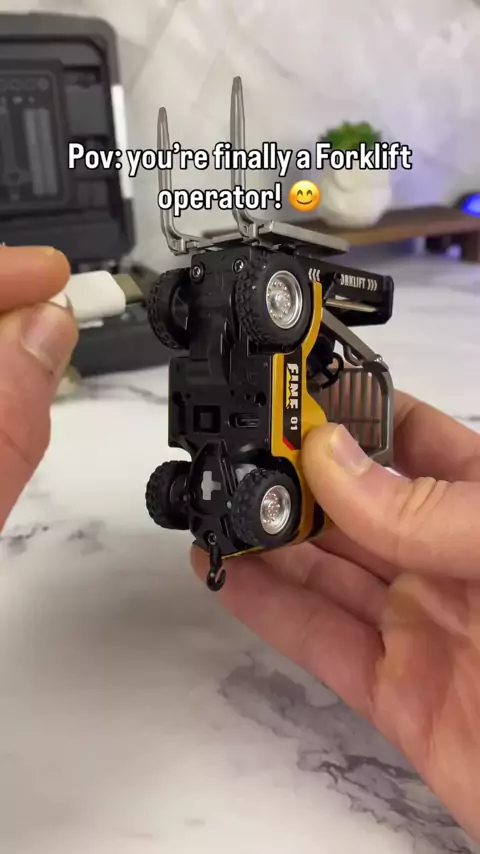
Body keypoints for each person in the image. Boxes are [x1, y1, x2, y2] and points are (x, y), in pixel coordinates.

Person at [2, 246, 480, 842]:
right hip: (239, 425)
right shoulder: (259, 317)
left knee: (247, 487)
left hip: (256, 436)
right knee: (239, 483)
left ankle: (227, 494)